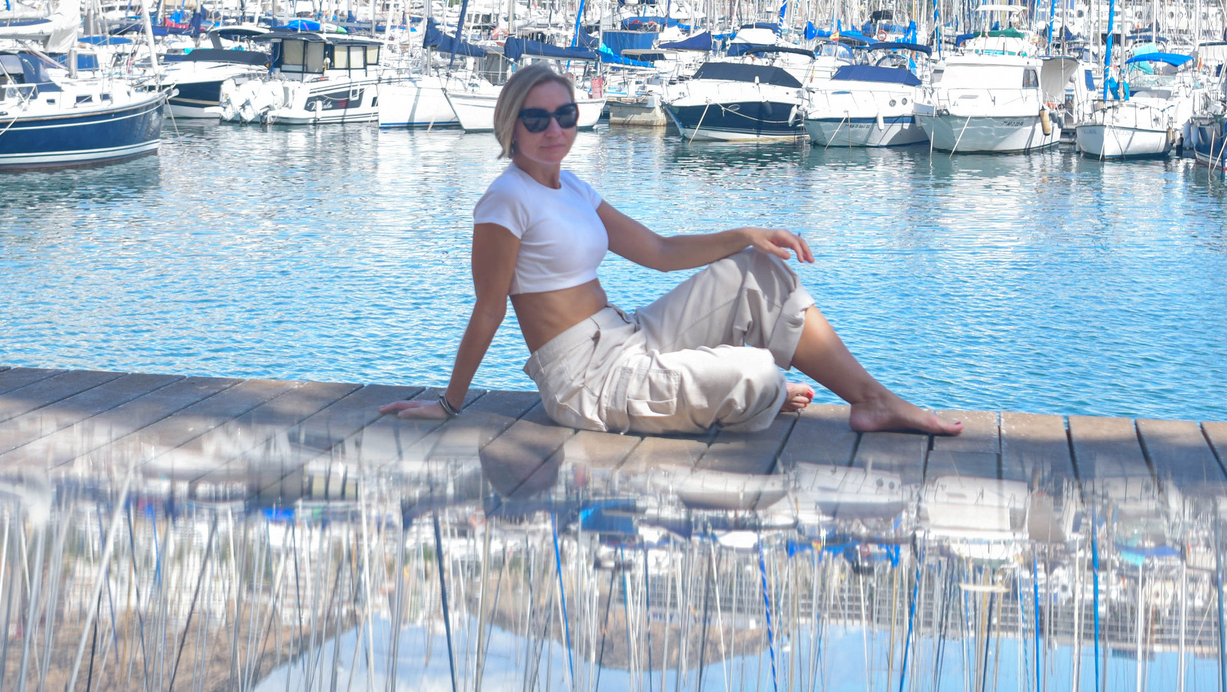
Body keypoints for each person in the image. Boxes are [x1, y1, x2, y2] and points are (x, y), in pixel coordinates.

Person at [381, 63, 962, 436]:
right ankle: (755, 391)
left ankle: (873, 400)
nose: (554, 129)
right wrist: (451, 404)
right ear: (511, 126)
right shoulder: (504, 200)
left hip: (628, 334)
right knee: (758, 374)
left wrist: (745, 235)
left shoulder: (574, 187)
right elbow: (488, 308)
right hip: (584, 380)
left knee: (759, 272)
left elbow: (657, 250)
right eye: (537, 119)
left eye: (565, 114)